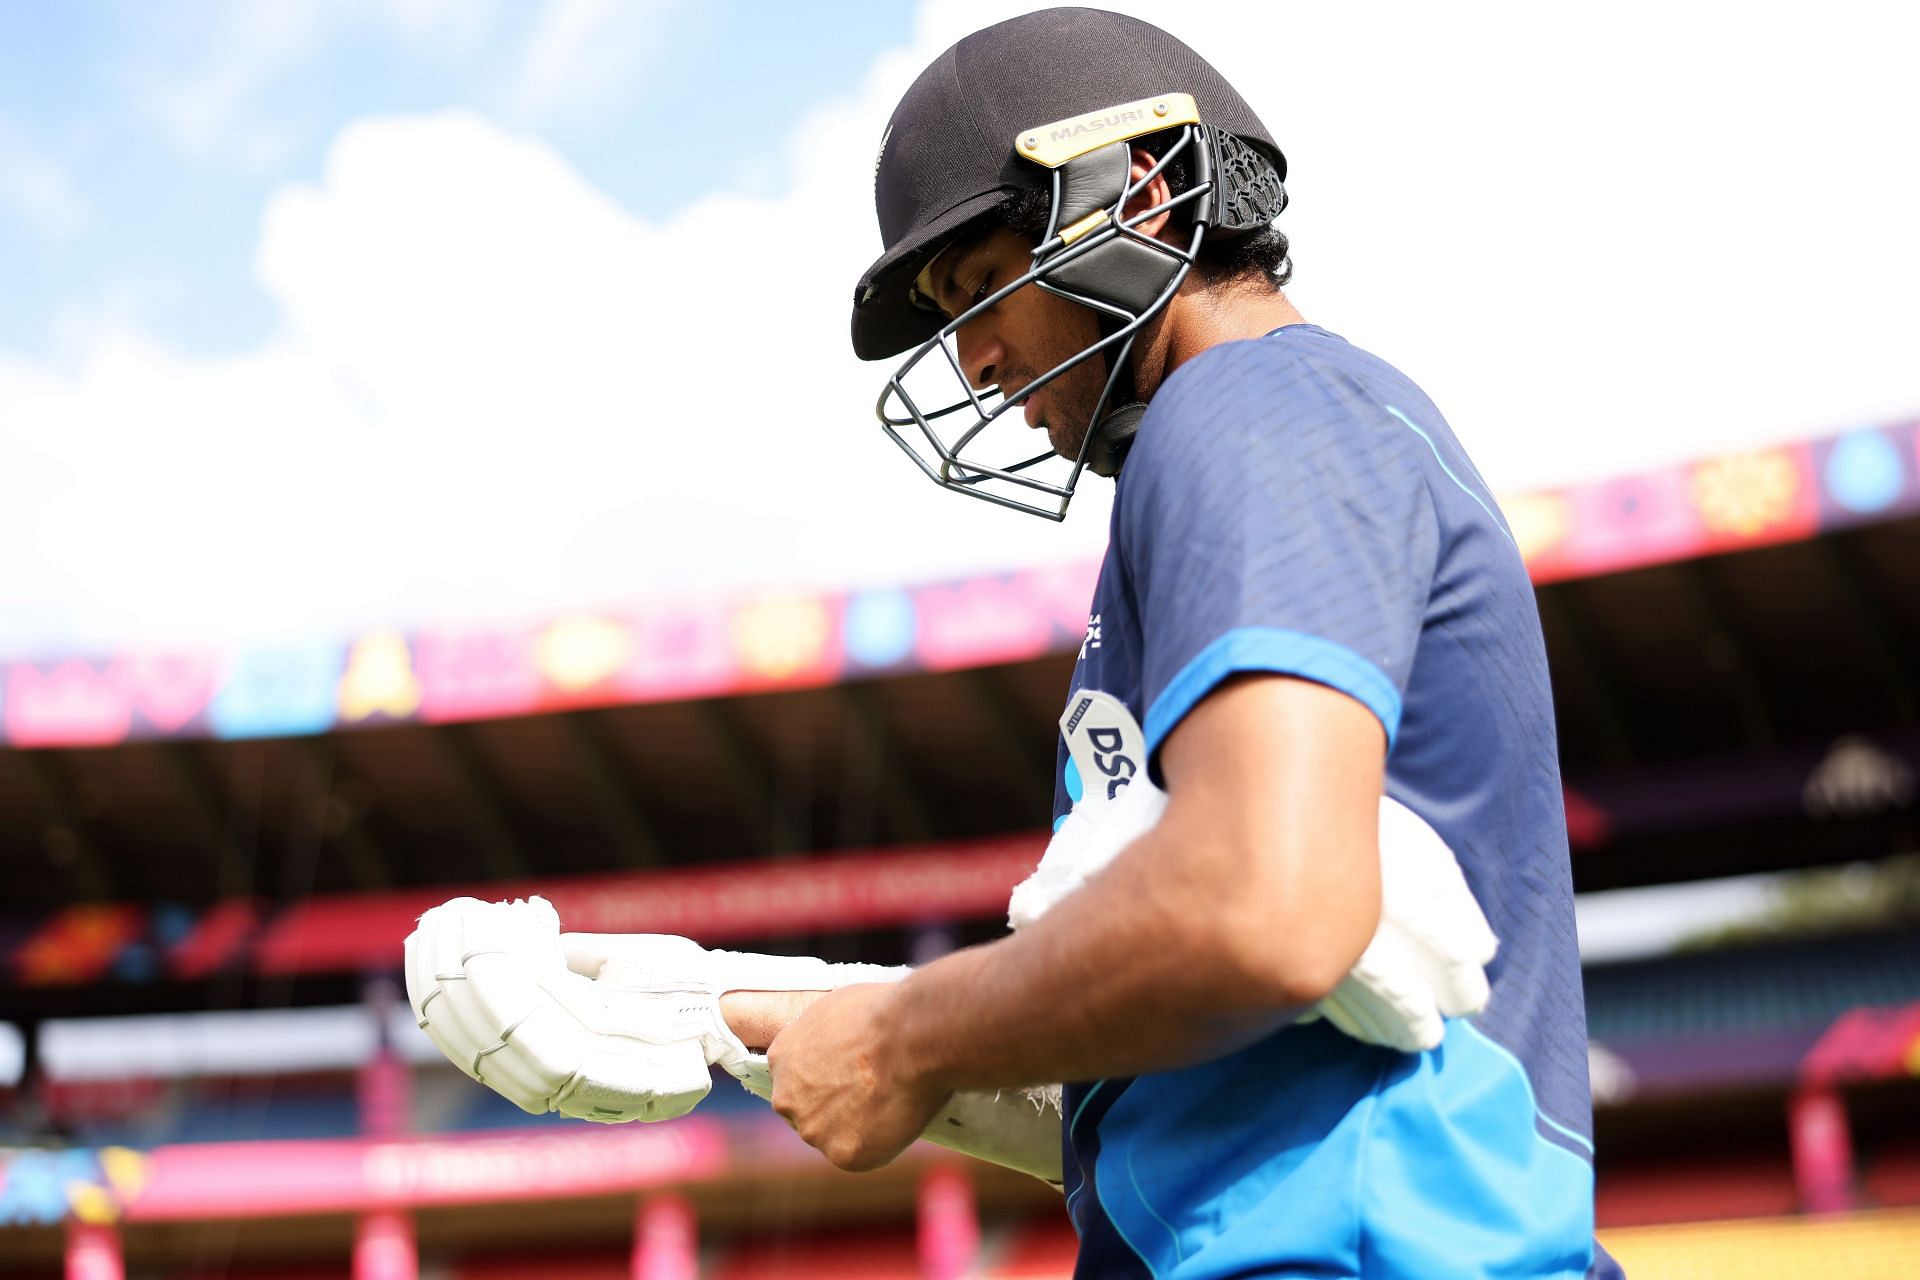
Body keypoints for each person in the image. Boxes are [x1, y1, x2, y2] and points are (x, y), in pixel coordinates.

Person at [407, 9, 1619, 1277]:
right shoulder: (1263, 429)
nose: (973, 360)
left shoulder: (1249, 401)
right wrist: (746, 1007)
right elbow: (1217, 1055)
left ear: (1134, 191)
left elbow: (1273, 906)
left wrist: (901, 1041)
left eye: (978, 287)